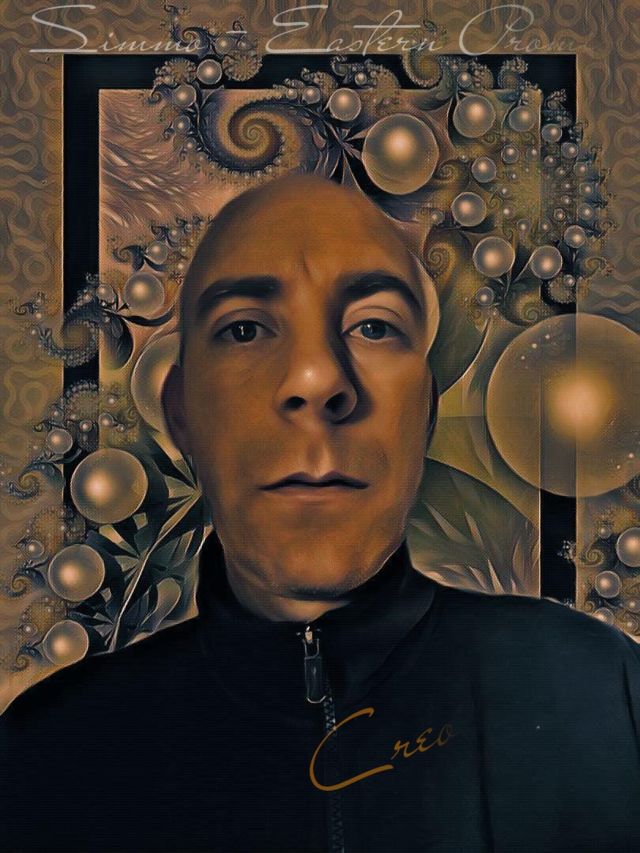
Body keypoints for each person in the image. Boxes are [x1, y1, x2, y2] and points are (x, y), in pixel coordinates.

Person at [1, 174, 640, 853]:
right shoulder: (47, 758)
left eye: (373, 326)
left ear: (424, 410)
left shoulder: (605, 696)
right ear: (181, 415)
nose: (317, 378)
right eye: (244, 329)